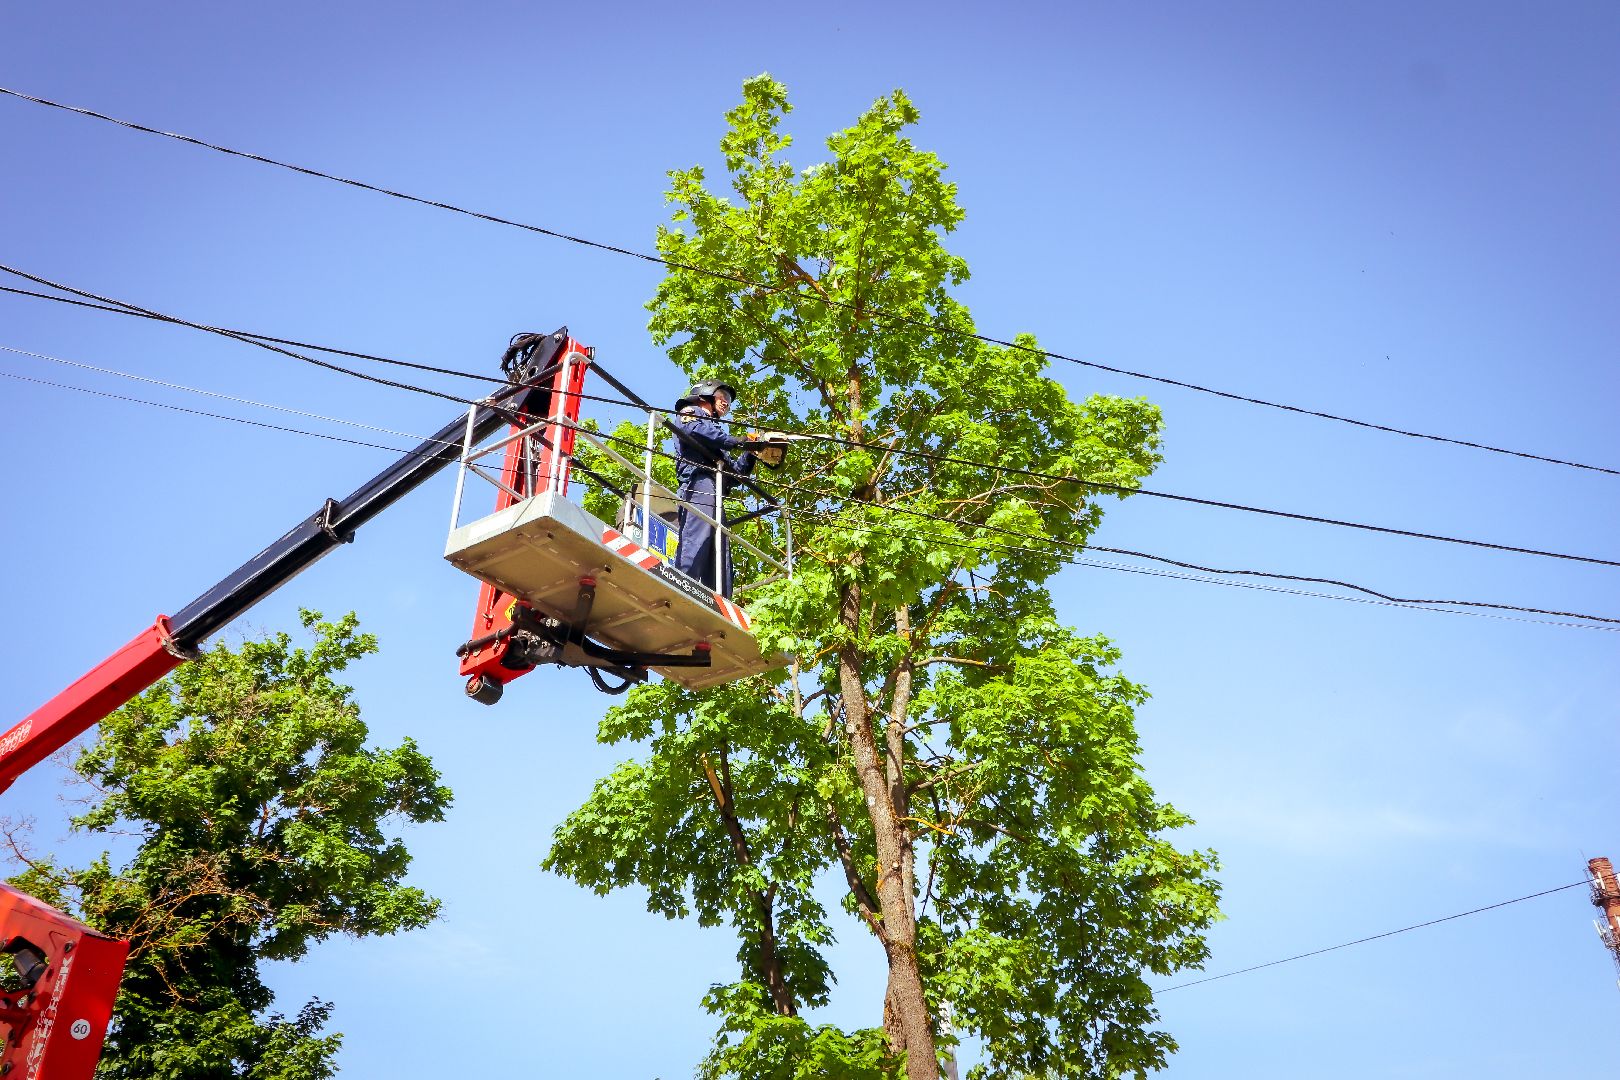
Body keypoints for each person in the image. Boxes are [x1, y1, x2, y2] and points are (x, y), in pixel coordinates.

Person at [671, 381, 755, 596]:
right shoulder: (691, 412)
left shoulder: (717, 437)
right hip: (699, 484)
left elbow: (735, 475)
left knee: (719, 549)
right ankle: (682, 585)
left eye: (728, 398)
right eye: (722, 395)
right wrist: (737, 440)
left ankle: (719, 600)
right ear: (704, 394)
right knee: (697, 537)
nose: (726, 402)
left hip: (715, 489)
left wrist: (751, 452)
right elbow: (693, 430)